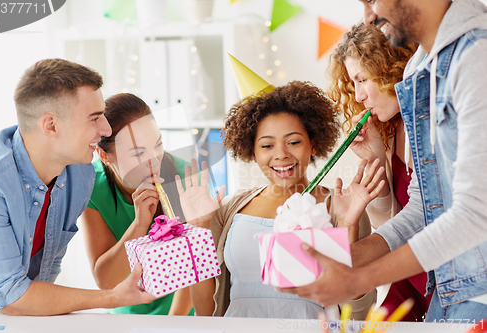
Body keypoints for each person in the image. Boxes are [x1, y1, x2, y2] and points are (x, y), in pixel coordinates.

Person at [278, 0, 487, 321]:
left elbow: (474, 213)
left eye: (372, 0)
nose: (368, 16)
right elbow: (421, 209)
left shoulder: (476, 56)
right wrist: (342, 258)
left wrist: (358, 275)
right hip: (450, 284)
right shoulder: (424, 70)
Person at [180, 81, 385, 319]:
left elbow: (357, 315)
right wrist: (199, 230)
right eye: (267, 145)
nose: (281, 154)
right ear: (253, 151)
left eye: (294, 142)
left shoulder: (343, 206)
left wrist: (348, 224)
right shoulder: (229, 210)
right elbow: (206, 312)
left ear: (313, 144)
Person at [0, 59, 156, 316]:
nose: (106, 129)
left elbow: (44, 273)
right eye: (95, 118)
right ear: (51, 125)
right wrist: (112, 298)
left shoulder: (79, 174)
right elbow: (11, 295)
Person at [327, 23, 428, 321]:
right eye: (352, 83)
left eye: (362, 79)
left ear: (392, 69)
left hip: (442, 273)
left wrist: (350, 258)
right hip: (409, 276)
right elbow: (392, 221)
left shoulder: (428, 123)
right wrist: (375, 162)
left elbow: (422, 217)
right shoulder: (391, 131)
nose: (358, 96)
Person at [80, 93, 194, 316]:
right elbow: (106, 281)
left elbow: (196, 267)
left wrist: (172, 325)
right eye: (138, 152)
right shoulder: (90, 185)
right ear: (104, 155)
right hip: (126, 315)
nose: (154, 160)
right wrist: (139, 225)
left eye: (158, 144)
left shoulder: (187, 176)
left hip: (182, 315)